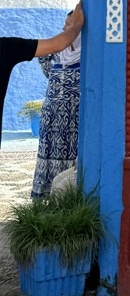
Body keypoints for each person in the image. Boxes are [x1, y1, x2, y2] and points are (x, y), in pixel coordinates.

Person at [0, 1, 84, 149]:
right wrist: (77, 24)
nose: (63, 27)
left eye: (67, 24)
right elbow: (58, 44)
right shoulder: (6, 47)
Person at [31, 10, 82, 197]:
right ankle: (47, 200)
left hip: (73, 120)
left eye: (69, 25)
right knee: (47, 157)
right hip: (51, 118)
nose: (64, 28)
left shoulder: (89, 59)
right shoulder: (54, 56)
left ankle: (66, 201)